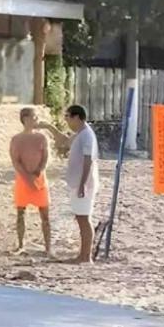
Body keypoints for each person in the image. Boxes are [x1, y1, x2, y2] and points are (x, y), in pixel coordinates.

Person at [9, 107, 52, 256]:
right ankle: (20, 244)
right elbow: (16, 162)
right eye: (34, 117)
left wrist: (38, 171)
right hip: (23, 179)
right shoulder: (16, 139)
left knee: (45, 214)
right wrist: (27, 178)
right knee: (20, 213)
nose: (36, 119)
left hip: (39, 178)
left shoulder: (41, 137)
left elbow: (46, 156)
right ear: (25, 119)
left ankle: (48, 247)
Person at [64, 105, 99, 264]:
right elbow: (63, 141)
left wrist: (82, 184)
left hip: (83, 183)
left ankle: (86, 256)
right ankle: (83, 254)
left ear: (76, 117)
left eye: (67, 116)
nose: (66, 120)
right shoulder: (81, 134)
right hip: (78, 182)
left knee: (84, 219)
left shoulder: (86, 135)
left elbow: (88, 160)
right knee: (80, 218)